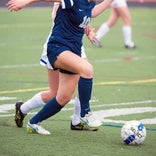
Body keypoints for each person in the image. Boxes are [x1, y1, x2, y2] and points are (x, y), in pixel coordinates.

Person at [7, 0, 113, 135]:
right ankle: (84, 115)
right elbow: (66, 10)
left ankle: (32, 120)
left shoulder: (89, 3)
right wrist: (25, 2)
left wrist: (89, 30)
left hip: (74, 47)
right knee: (86, 70)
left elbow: (88, 14)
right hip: (58, 45)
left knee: (62, 96)